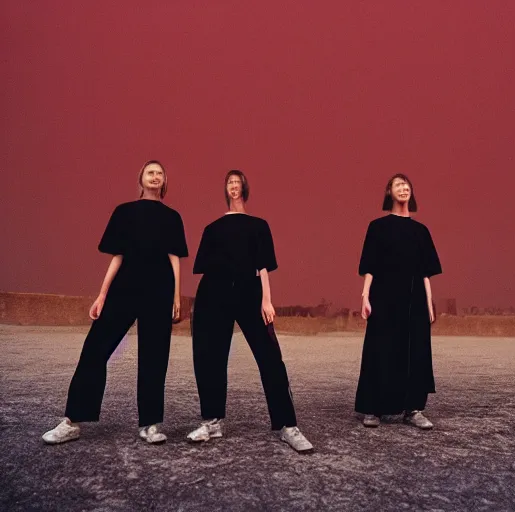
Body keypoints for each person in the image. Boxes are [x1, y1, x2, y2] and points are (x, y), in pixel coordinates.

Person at [42, 160, 188, 444]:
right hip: (125, 288)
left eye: (160, 173)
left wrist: (176, 295)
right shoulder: (124, 212)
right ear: (141, 178)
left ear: (165, 181)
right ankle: (72, 421)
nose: (155, 176)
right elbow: (117, 256)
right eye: (150, 172)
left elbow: (175, 257)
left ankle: (150, 424)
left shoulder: (172, 217)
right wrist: (102, 294)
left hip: (159, 290)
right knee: (95, 348)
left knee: (154, 357)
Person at [186, 170, 313, 453]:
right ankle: (212, 421)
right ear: (225, 190)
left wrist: (266, 300)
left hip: (250, 291)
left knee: (270, 357)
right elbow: (204, 269)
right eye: (229, 182)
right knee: (210, 357)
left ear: (244, 188)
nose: (233, 185)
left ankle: (287, 425)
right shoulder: (212, 228)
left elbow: (264, 265)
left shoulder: (259, 225)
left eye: (237, 181)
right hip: (213, 293)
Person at [355, 174, 442, 429]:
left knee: (416, 352)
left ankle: (413, 409)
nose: (403, 188)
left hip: (414, 299)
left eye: (406, 185)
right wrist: (365, 296)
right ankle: (372, 409)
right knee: (379, 350)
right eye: (397, 185)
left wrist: (429, 303)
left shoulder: (421, 231)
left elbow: (425, 271)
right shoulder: (377, 227)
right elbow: (369, 265)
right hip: (383, 297)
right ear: (389, 193)